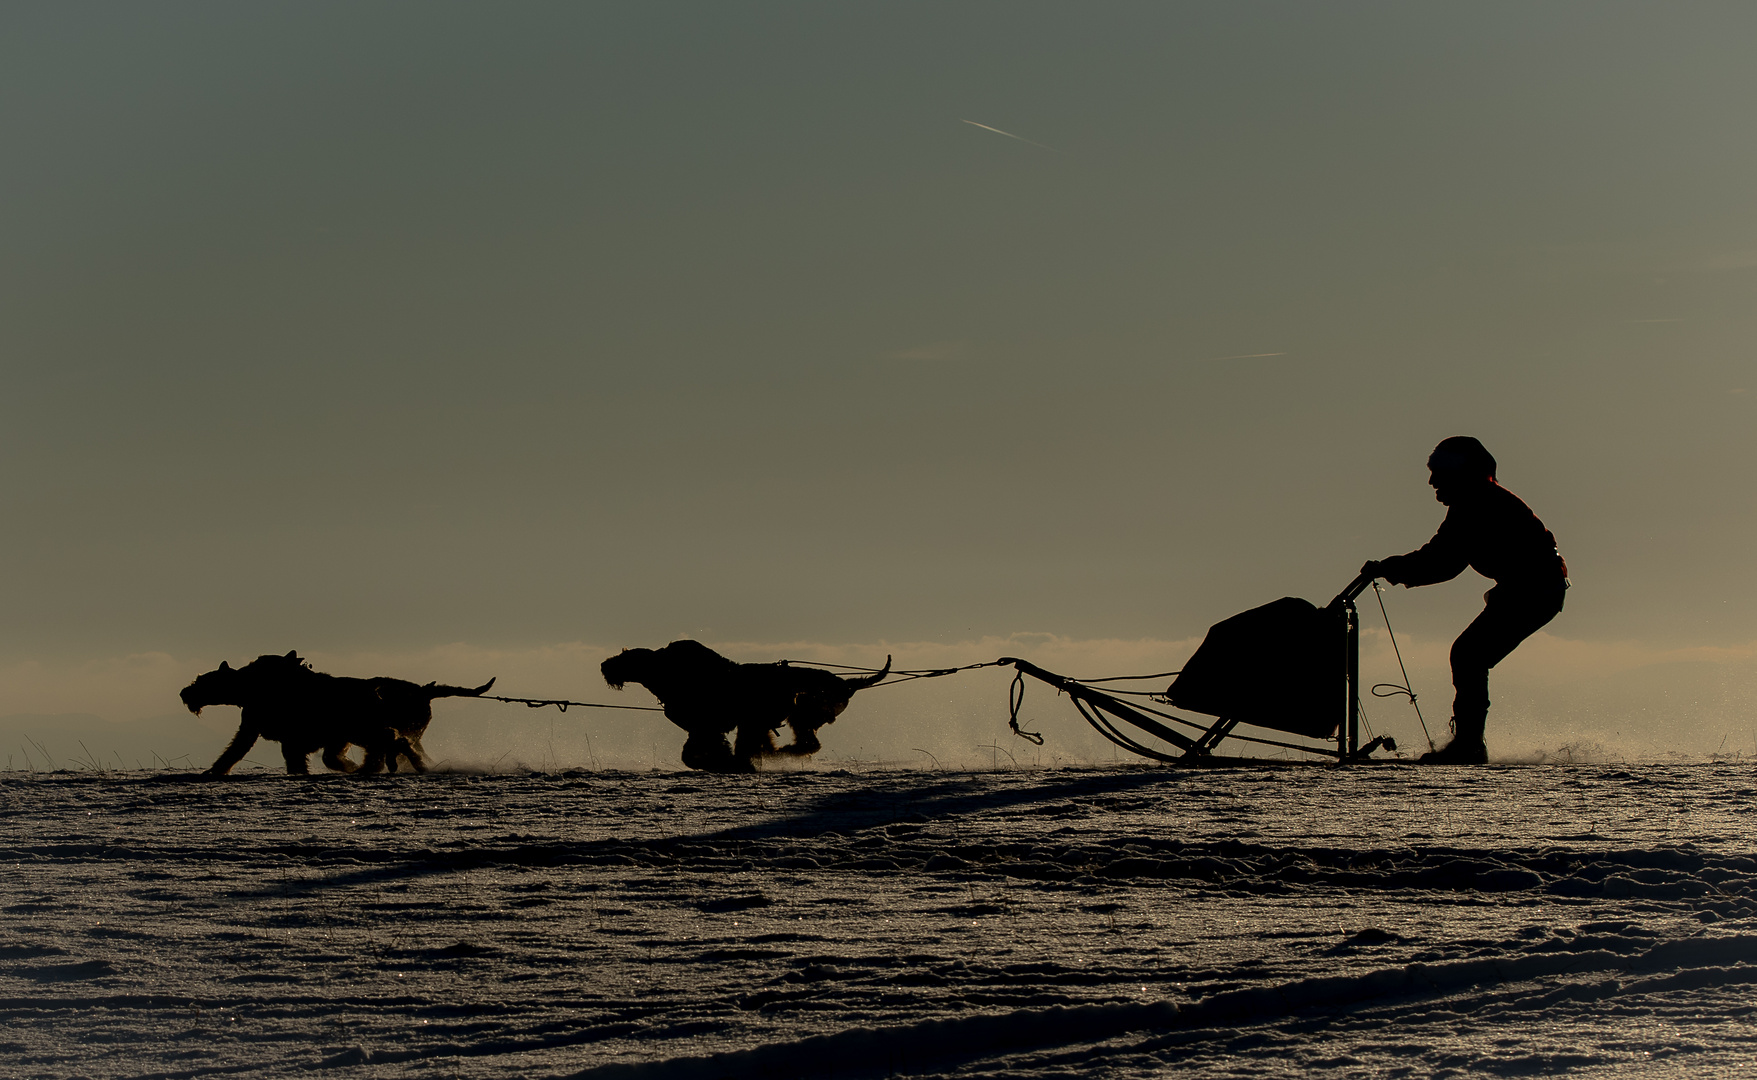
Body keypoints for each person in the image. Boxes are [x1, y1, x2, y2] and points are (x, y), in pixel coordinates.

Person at [1361, 437, 1567, 764]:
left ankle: (1470, 745)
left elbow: (1444, 560)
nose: (1431, 482)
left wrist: (1392, 567)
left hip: (1536, 590)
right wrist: (1395, 567)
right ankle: (1469, 742)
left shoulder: (1477, 503)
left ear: (1460, 473)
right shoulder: (1473, 501)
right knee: (1469, 654)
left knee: (1469, 654)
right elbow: (1443, 556)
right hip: (1532, 589)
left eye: (1438, 472)